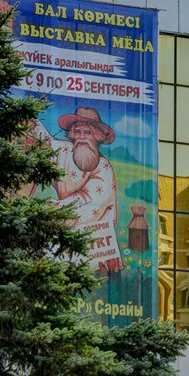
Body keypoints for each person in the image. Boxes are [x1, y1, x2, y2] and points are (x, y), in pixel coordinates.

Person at [40, 107, 123, 275]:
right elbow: (43, 141)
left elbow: (91, 205)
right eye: (78, 131)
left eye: (87, 132)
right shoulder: (63, 151)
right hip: (65, 229)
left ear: (97, 136)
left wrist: (54, 208)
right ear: (71, 134)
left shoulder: (104, 167)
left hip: (95, 238)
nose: (82, 137)